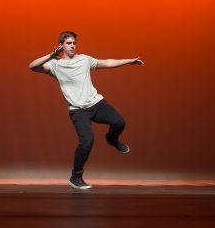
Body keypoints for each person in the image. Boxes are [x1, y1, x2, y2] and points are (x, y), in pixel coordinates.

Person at [29, 31, 144, 189]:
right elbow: (32, 66)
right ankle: (76, 177)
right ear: (62, 45)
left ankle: (112, 139)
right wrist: (50, 56)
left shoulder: (84, 60)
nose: (72, 46)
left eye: (74, 43)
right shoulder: (55, 65)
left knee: (119, 122)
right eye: (69, 43)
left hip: (96, 103)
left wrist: (129, 61)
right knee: (87, 142)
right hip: (78, 110)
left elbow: (108, 63)